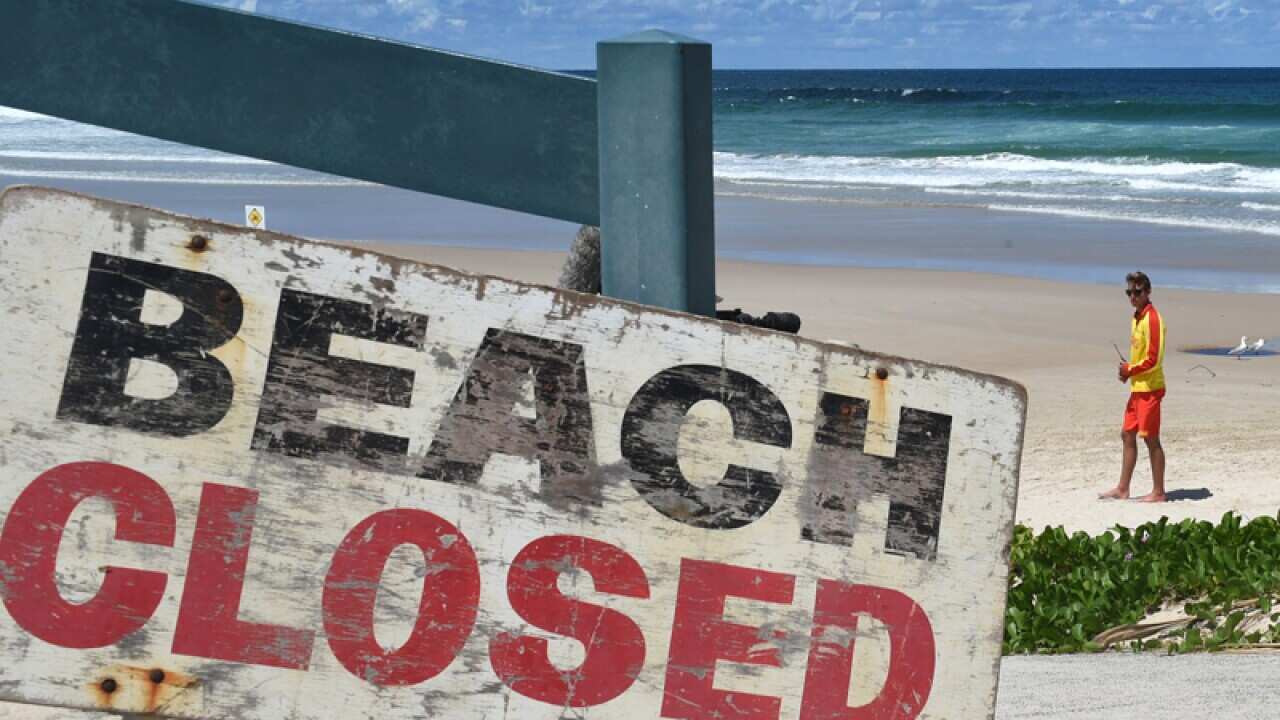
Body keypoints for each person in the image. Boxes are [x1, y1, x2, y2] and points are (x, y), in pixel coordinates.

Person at [1101, 271, 1167, 502]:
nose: (1133, 296)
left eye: (1137, 292)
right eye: (1129, 292)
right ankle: (1122, 488)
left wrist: (1131, 369)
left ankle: (1158, 492)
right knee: (1127, 434)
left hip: (1150, 389)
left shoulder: (1153, 319)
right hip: (1138, 388)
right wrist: (1128, 373)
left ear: (1147, 292)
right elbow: (1139, 357)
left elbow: (1153, 359)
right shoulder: (1136, 317)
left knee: (1150, 438)